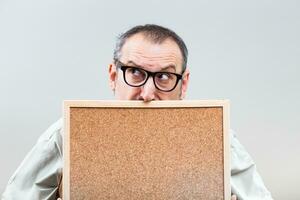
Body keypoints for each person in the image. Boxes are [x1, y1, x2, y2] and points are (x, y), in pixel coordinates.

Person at [2, 24, 273, 200]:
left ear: (184, 83)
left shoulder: (216, 139)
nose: (147, 93)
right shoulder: (68, 134)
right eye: (135, 72)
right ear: (112, 75)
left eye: (164, 77)